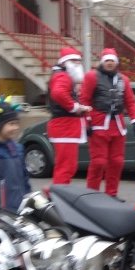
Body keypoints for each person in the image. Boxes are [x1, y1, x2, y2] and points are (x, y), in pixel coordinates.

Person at [80, 48, 135, 197]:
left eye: (112, 61)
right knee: (99, 162)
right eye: (107, 60)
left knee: (117, 161)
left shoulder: (123, 79)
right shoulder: (91, 77)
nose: (109, 63)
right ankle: (91, 195)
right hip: (98, 124)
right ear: (103, 62)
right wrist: (86, 122)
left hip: (118, 125)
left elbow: (130, 102)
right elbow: (84, 100)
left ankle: (111, 194)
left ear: (116, 63)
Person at [47, 47, 92, 184]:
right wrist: (75, 107)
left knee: (67, 167)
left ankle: (56, 192)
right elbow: (58, 93)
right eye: (74, 61)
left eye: (79, 61)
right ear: (64, 62)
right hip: (65, 127)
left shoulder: (61, 76)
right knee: (66, 168)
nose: (78, 64)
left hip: (65, 126)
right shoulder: (63, 76)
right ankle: (57, 193)